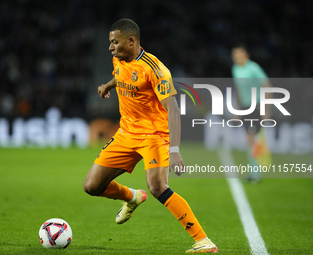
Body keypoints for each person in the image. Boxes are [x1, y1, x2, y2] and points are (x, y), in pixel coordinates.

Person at [83, 18, 219, 253]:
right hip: (126, 133)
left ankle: (203, 240)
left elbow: (173, 109)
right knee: (92, 186)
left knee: (157, 186)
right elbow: (123, 76)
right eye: (110, 43)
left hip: (154, 135)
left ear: (131, 41)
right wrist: (108, 85)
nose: (110, 47)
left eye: (114, 42)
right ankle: (132, 197)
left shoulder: (156, 69)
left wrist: (175, 150)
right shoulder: (118, 58)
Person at [231, 44, 272, 182]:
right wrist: (237, 110)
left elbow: (267, 86)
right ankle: (254, 171)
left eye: (240, 55)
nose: (237, 58)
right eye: (235, 56)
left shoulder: (254, 68)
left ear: (246, 55)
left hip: (257, 105)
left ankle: (255, 173)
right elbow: (238, 90)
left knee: (252, 139)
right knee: (250, 139)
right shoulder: (235, 69)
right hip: (245, 107)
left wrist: (266, 109)